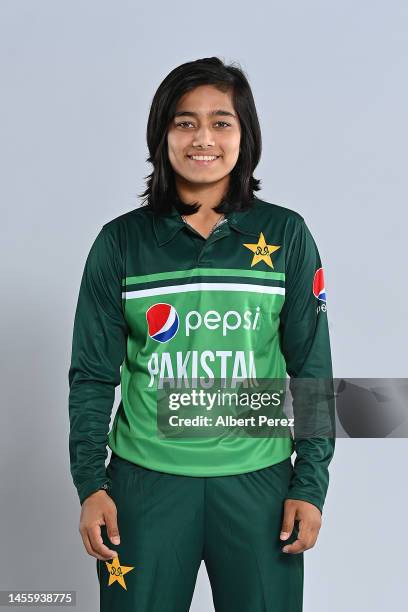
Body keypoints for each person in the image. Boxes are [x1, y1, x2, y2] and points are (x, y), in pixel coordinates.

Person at [68, 56, 335, 612]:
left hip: (259, 486)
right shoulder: (120, 243)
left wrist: (308, 486)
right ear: (162, 132)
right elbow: (92, 377)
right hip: (144, 488)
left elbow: (310, 371)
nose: (203, 138)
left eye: (222, 121)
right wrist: (92, 484)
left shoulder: (286, 234)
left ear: (246, 135)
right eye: (185, 121)